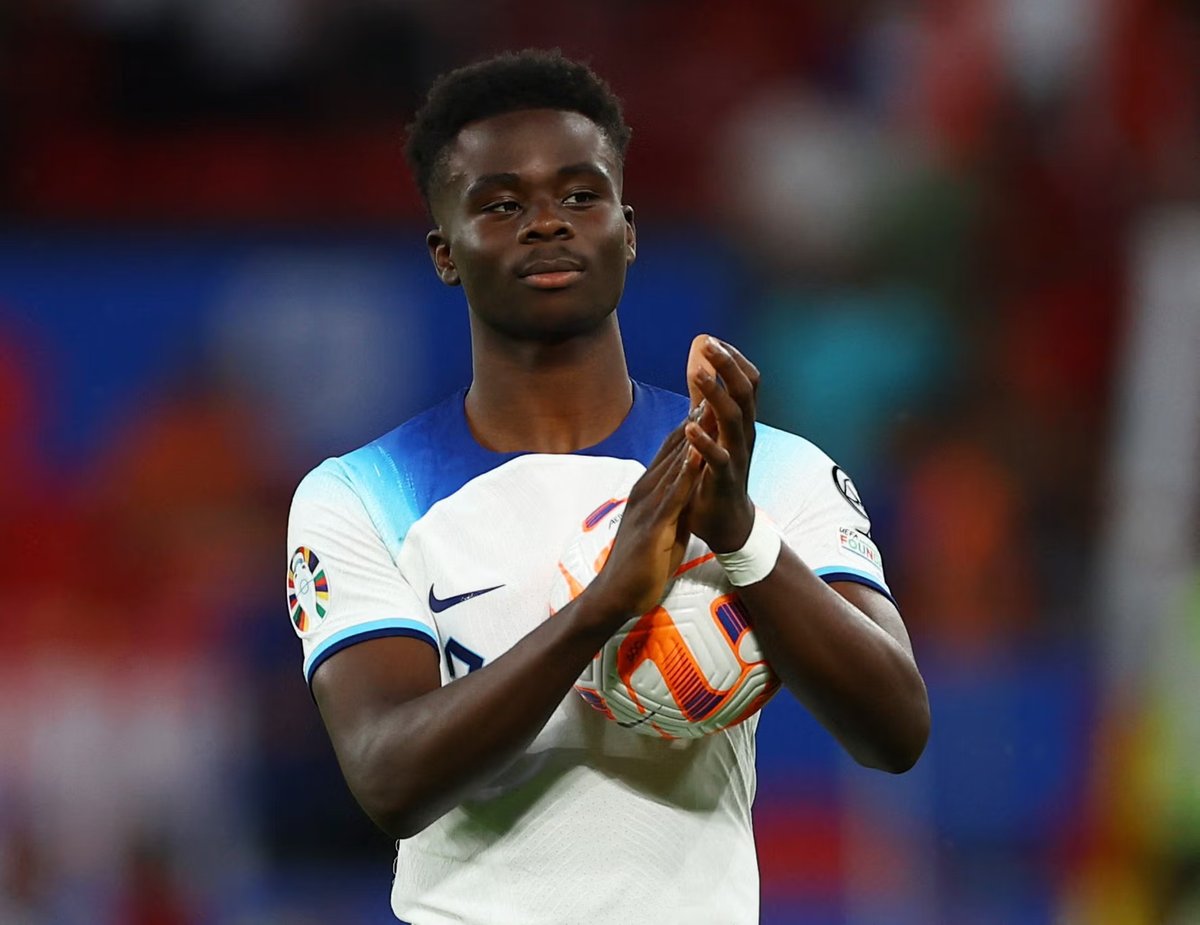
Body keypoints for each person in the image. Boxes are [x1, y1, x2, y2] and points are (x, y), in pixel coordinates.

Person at [285, 49, 930, 924]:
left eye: (580, 195)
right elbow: (388, 777)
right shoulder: (358, 495)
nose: (547, 223)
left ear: (627, 231)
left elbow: (896, 729)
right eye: (502, 204)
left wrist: (741, 535)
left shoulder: (765, 468)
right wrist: (603, 606)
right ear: (445, 252)